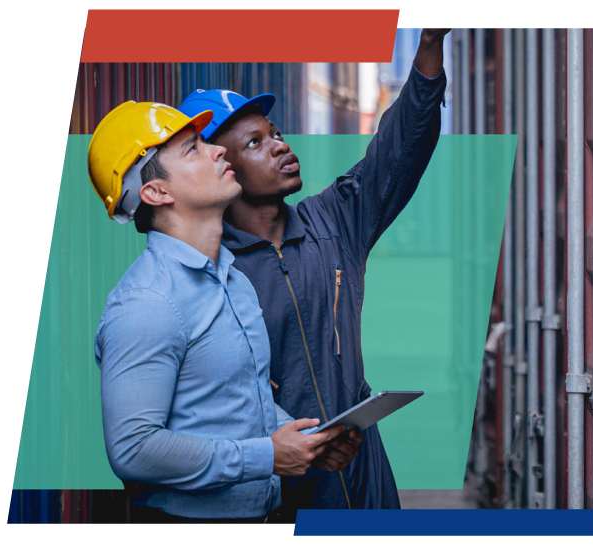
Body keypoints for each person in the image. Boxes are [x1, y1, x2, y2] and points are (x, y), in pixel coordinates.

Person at [177, 28, 451, 515]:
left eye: (276, 133)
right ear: (221, 166)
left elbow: (399, 149)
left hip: (362, 471)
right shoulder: (209, 271)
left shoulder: (334, 222)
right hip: (280, 487)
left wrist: (429, 43)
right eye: (255, 143)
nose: (280, 145)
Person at [89, 101, 361, 524]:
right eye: (193, 149)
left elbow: (239, 400)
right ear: (157, 192)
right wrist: (266, 456)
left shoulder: (233, 279)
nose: (217, 150)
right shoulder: (147, 302)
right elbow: (133, 449)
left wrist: (308, 441)